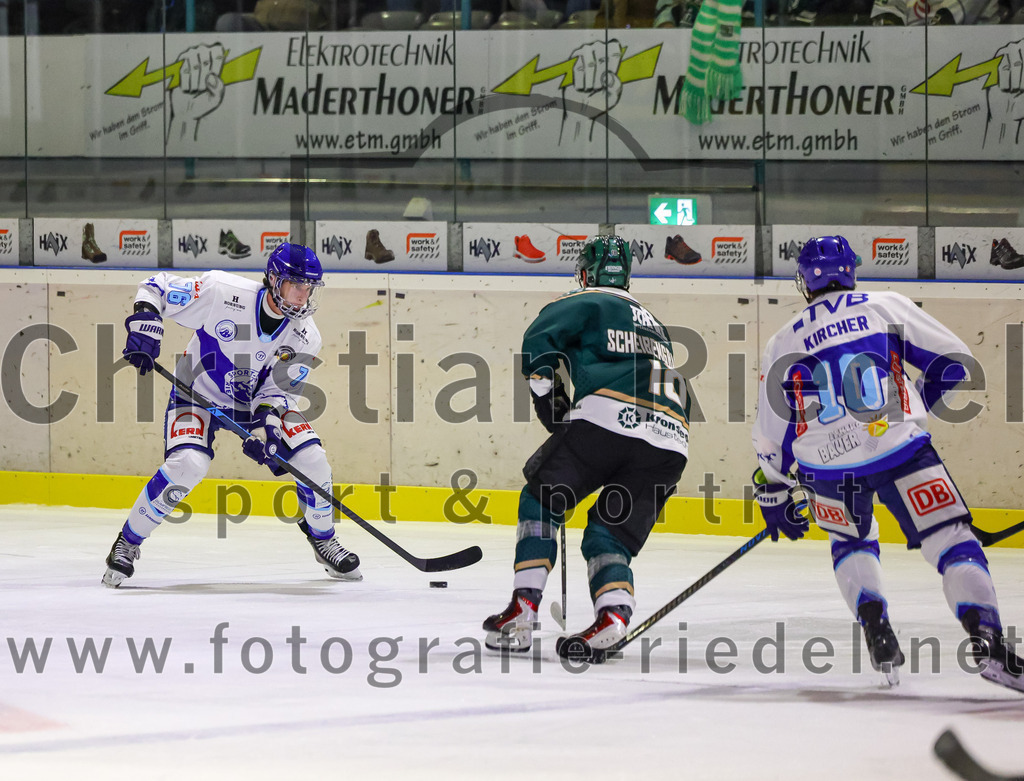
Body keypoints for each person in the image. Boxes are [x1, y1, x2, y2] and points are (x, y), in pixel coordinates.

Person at [751, 235, 1023, 692]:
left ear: (806, 281)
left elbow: (771, 431)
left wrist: (773, 488)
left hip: (825, 466)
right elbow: (956, 362)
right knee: (951, 540)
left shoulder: (782, 340)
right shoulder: (885, 305)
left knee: (851, 540)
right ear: (850, 271)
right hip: (899, 447)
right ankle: (989, 643)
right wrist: (912, 410)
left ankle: (876, 626)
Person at [102, 243, 361, 587]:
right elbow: (156, 286)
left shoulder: (306, 336)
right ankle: (127, 543)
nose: (302, 296)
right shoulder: (222, 291)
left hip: (254, 403)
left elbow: (277, 392)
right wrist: (147, 322)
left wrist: (268, 432)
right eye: (295, 285)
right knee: (187, 465)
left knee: (313, 460)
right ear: (273, 279)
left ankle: (323, 538)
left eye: (308, 288)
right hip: (197, 393)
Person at [483, 235, 690, 658]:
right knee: (607, 533)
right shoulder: (655, 324)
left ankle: (523, 610)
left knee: (542, 500)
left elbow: (538, 343)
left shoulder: (587, 300)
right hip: (671, 441)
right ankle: (613, 616)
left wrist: (547, 397)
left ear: (585, 272)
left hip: (610, 420)